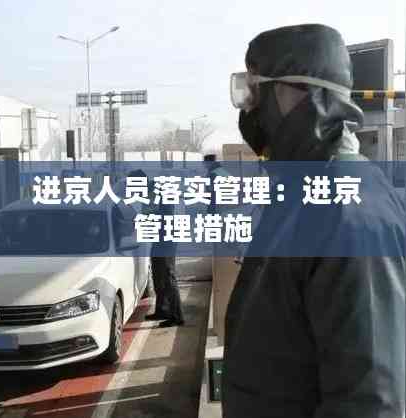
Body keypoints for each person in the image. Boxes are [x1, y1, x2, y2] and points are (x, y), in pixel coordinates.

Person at [222, 24, 405, 418]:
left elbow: (370, 402)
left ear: (303, 93)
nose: (247, 108)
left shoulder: (349, 211)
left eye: (254, 91)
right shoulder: (305, 191)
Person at [145, 182, 185, 328]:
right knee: (158, 277)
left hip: (166, 243)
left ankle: (177, 316)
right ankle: (162, 309)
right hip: (159, 242)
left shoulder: (167, 198)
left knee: (168, 278)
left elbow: (165, 218)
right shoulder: (158, 199)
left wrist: (149, 216)